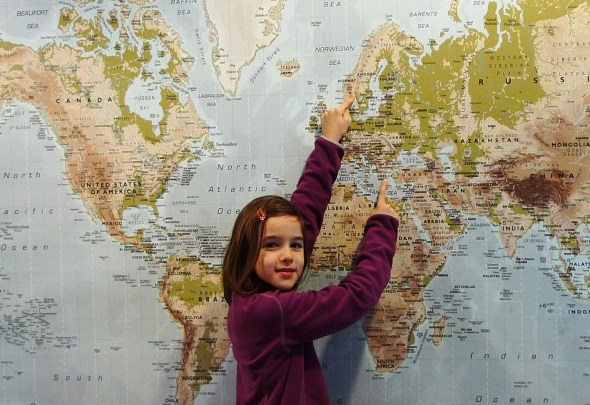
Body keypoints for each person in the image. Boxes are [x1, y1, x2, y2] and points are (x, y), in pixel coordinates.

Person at [222, 92, 399, 404]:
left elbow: (303, 214)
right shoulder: (271, 311)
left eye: (296, 245)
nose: (288, 255)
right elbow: (356, 297)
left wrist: (330, 142)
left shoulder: (248, 299)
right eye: (271, 245)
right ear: (248, 251)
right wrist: (383, 227)